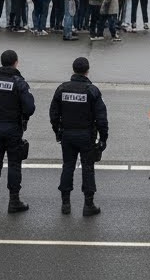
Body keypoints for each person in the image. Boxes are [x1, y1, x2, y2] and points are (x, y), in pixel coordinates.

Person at [0, 49, 35, 213]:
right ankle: (14, 201)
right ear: (16, 62)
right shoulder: (19, 82)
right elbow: (30, 108)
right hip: (13, 129)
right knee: (14, 164)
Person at [50, 56, 107, 216]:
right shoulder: (92, 90)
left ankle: (65, 204)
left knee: (68, 166)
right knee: (88, 168)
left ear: (74, 70)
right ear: (87, 71)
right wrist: (103, 138)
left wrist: (58, 131)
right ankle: (88, 205)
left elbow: (53, 113)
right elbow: (101, 117)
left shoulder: (62, 89)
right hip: (86, 135)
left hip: (67, 134)